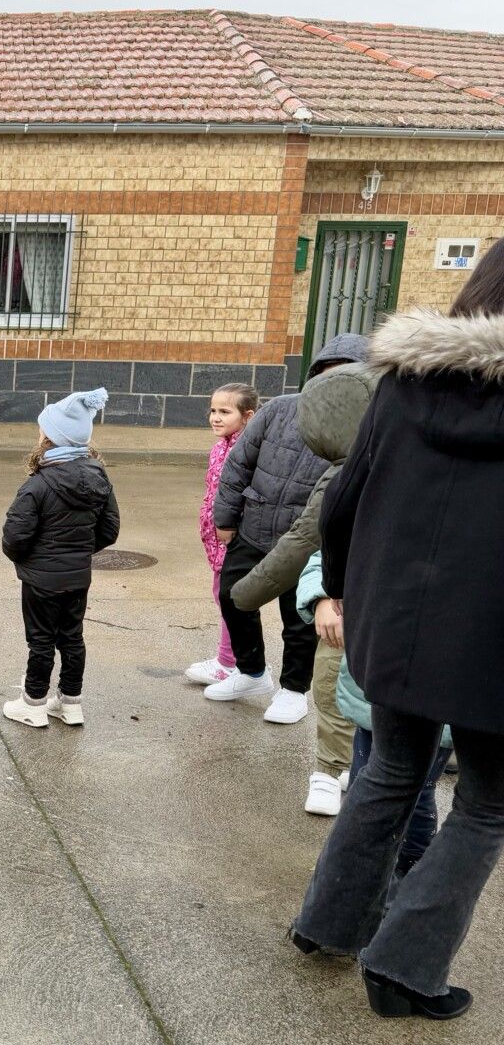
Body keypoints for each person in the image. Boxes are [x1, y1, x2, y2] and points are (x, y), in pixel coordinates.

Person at [289, 247, 504, 1020]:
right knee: (486, 807)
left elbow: (344, 497)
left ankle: (328, 923)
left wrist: (342, 588)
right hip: (489, 640)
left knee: (390, 773)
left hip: (397, 623)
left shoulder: (403, 386)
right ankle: (406, 970)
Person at [228, 362, 378, 816]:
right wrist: (325, 595)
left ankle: (369, 768)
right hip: (342, 600)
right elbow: (313, 543)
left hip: (401, 608)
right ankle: (329, 771)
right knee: (334, 685)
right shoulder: (343, 471)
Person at [209, 333, 369, 722]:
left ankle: (293, 690)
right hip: (254, 527)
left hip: (309, 541)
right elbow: (238, 465)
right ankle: (250, 672)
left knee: (298, 621)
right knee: (232, 596)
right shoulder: (279, 409)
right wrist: (226, 518)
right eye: (327, 374)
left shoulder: (366, 426)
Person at [297, 550, 453, 859]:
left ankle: (406, 874)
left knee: (416, 795)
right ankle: (365, 876)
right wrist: (323, 597)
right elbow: (330, 549)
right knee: (366, 790)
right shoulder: (385, 505)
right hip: (377, 685)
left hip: (442, 688)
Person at [0, 389, 121, 728]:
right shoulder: (100, 477)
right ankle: (70, 703)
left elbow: (15, 537)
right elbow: (109, 529)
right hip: (77, 576)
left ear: (50, 437)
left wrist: (31, 560)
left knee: (40, 640)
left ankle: (33, 703)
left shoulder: (37, 485)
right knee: (72, 637)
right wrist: (79, 552)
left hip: (41, 580)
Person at [185, 383, 258, 686]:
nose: (215, 417)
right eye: (213, 410)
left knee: (230, 597)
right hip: (216, 538)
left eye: (225, 411)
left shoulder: (249, 451)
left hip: (235, 539)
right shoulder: (219, 448)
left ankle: (228, 663)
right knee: (222, 595)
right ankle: (234, 660)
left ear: (248, 416)